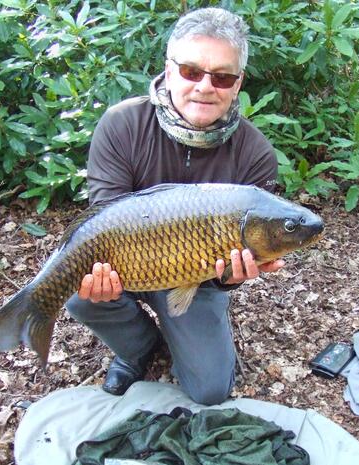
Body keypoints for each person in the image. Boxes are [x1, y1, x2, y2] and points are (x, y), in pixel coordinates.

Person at [66, 7, 284, 405]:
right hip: (127, 262)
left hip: (197, 279)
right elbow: (105, 221)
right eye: (190, 71)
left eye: (222, 77)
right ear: (168, 72)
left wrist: (230, 278)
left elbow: (231, 264)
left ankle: (187, 335)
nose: (205, 86)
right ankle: (139, 348)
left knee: (211, 391)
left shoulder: (255, 154)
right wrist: (102, 276)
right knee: (76, 288)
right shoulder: (122, 125)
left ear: (238, 84)